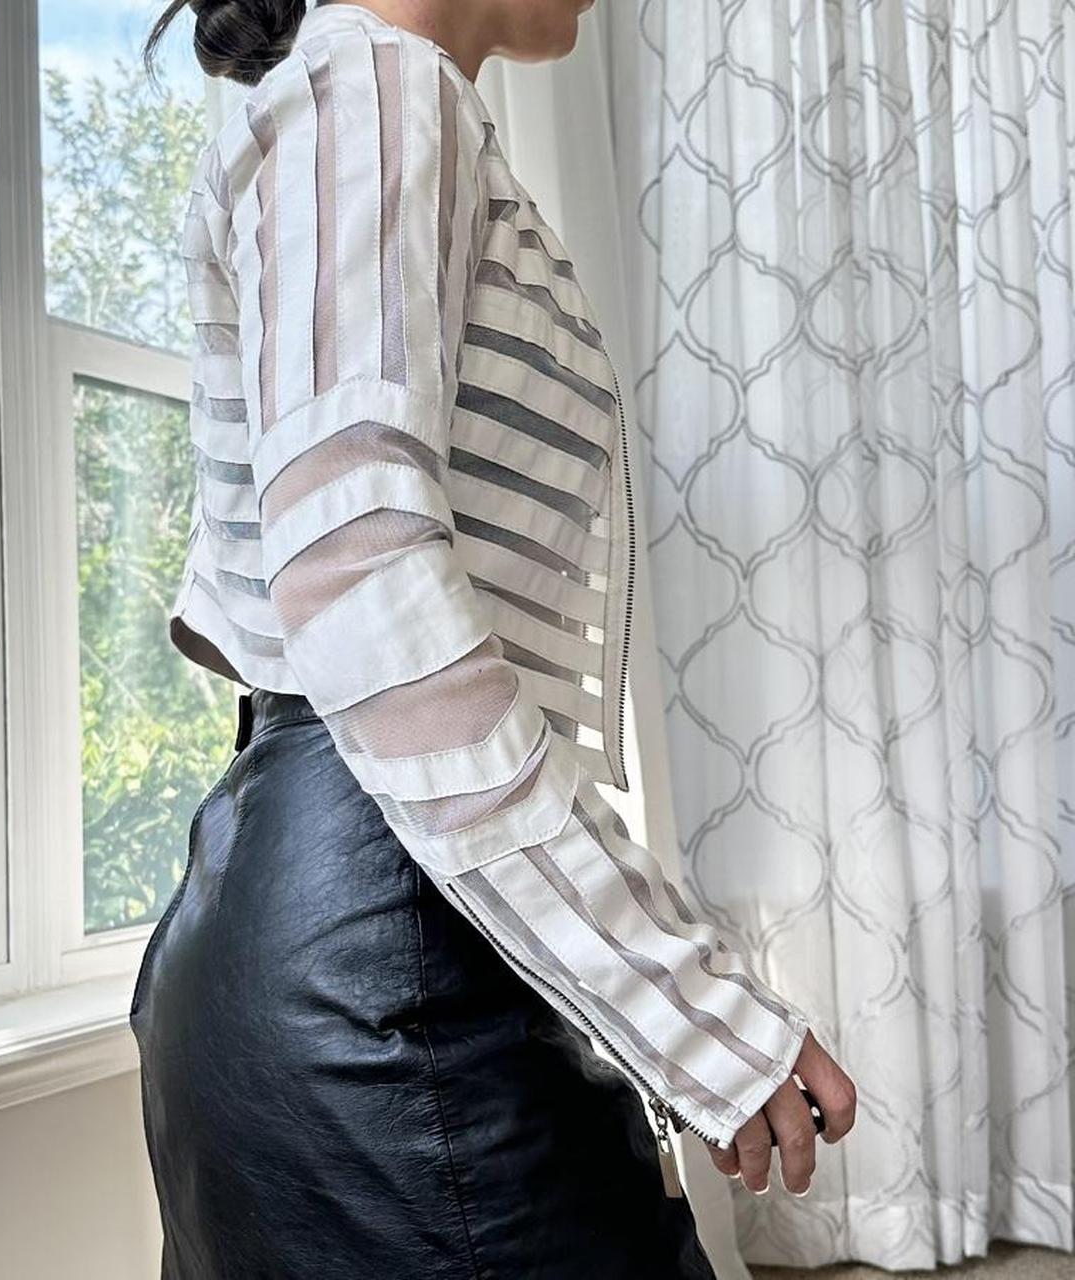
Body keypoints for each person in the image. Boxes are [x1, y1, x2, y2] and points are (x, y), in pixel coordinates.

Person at [133, 2, 857, 1276]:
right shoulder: (371, 93)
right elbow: (358, 574)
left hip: (367, 918)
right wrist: (680, 998)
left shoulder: (383, 104)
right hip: (384, 957)